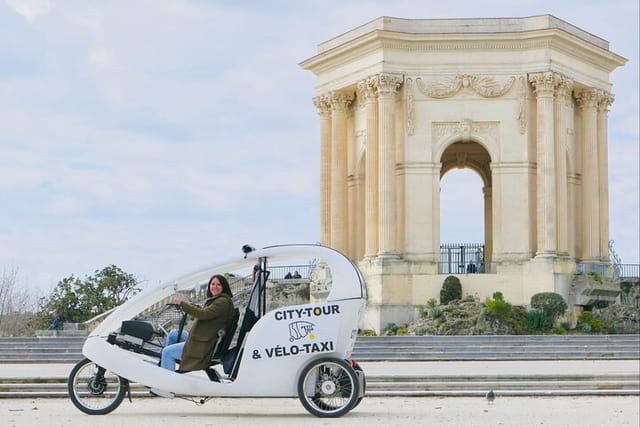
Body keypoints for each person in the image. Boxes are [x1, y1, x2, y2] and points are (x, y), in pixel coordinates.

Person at [161, 274, 234, 372]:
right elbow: (204, 310)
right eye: (212, 284)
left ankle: (166, 382)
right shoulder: (218, 300)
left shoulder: (223, 302)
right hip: (202, 339)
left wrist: (182, 304)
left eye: (218, 285)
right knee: (174, 334)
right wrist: (188, 304)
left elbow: (203, 314)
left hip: (204, 346)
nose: (214, 287)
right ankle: (164, 366)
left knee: (167, 352)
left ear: (224, 287)